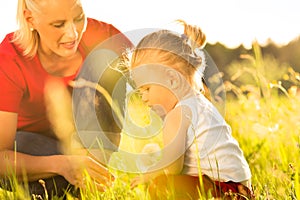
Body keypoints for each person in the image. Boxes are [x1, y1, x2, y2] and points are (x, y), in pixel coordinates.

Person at [0, 0, 132, 198]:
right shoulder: (10, 59)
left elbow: (154, 72)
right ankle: (70, 184)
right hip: (33, 149)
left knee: (108, 59)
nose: (73, 34)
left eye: (79, 19)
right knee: (30, 163)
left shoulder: (100, 35)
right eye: (58, 24)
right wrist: (61, 165)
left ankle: (94, 176)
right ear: (30, 19)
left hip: (86, 144)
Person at [126, 20, 254, 199]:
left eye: (147, 88)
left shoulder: (177, 115)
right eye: (140, 92)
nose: (144, 97)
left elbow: (173, 167)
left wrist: (149, 173)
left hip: (221, 191)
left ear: (171, 80)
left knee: (160, 186)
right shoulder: (201, 104)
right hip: (241, 190)